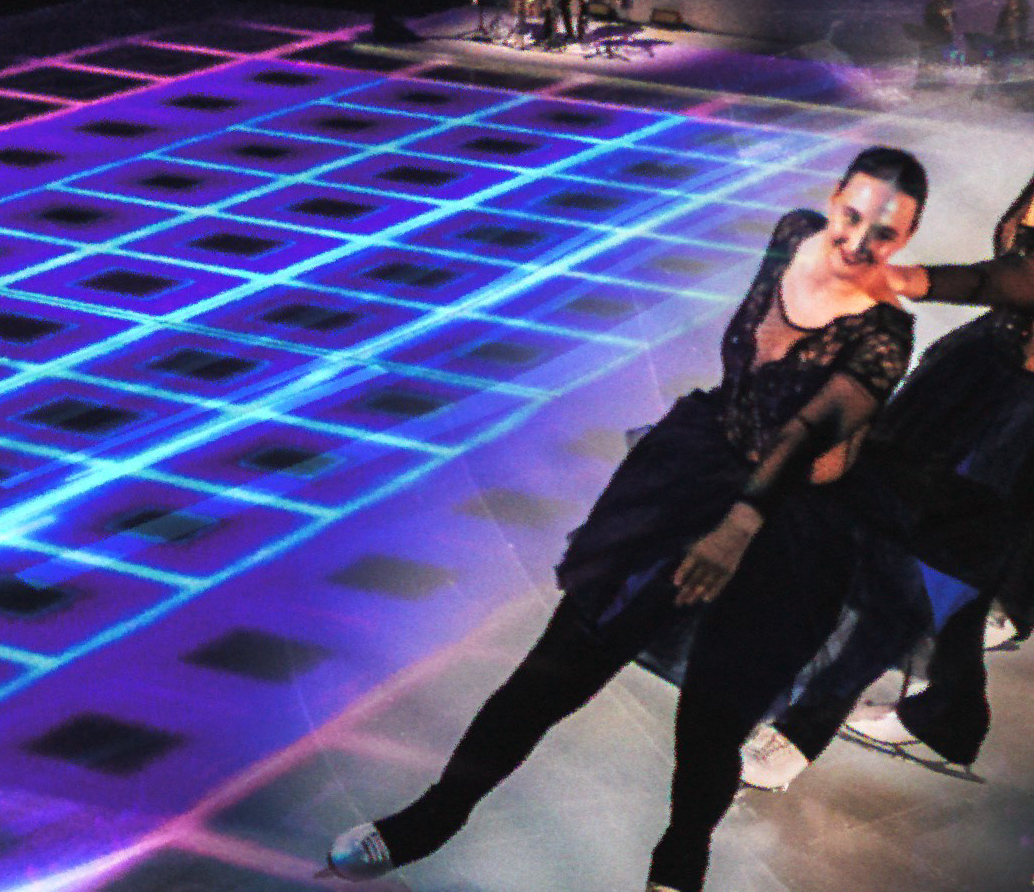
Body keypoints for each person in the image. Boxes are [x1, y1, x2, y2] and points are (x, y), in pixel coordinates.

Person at [321, 147, 928, 892]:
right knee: (558, 665)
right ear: (833, 198)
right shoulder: (792, 234)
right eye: (852, 215)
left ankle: (677, 870)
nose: (858, 242)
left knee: (710, 725)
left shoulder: (885, 334)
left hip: (786, 524)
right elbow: (747, 374)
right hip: (692, 475)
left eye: (885, 233)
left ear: (907, 242)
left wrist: (739, 525)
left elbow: (805, 433)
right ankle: (433, 817)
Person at [742, 174, 1034, 790]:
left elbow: (1011, 279)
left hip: (1019, 427)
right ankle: (951, 701)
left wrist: (903, 278)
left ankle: (805, 728)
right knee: (893, 543)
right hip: (977, 374)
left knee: (927, 570)